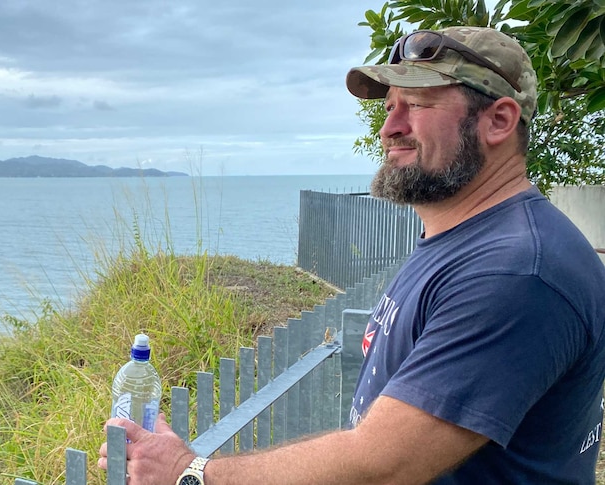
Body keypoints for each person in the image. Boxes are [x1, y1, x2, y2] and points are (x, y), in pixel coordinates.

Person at [98, 26, 605, 484]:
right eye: (390, 107)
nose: (389, 128)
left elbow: (381, 466)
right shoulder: (465, 241)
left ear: (498, 121)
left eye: (418, 104)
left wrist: (191, 474)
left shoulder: (516, 271)